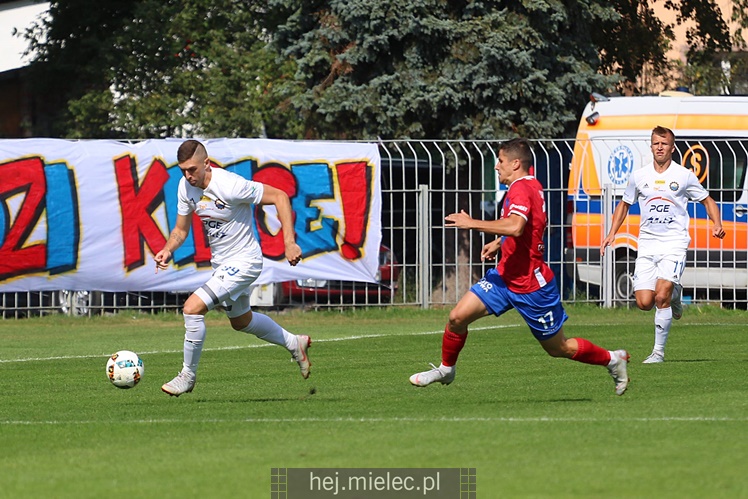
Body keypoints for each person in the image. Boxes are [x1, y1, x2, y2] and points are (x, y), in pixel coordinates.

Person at [409, 138, 630, 395]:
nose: (496, 167)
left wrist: (472, 223)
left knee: (559, 348)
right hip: (504, 277)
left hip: (531, 285)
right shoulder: (530, 185)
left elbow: (516, 226)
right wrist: (499, 243)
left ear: (515, 163)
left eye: (500, 161)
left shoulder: (520, 190)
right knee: (457, 317)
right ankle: (446, 369)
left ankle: (613, 359)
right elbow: (527, 229)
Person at [154, 139, 311, 396]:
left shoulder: (230, 185)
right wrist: (168, 249)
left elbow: (280, 197)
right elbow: (180, 230)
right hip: (224, 265)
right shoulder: (185, 187)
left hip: (245, 262)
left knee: (192, 309)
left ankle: (187, 376)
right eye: (183, 170)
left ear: (206, 163)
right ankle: (295, 343)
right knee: (241, 322)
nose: (187, 175)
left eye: (192, 169)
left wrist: (289, 243)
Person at [601, 126, 724, 363]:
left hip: (674, 243)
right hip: (647, 244)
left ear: (672, 147)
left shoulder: (683, 175)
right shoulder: (639, 176)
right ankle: (676, 295)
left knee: (661, 295)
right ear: (651, 146)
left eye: (664, 144)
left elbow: (708, 200)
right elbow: (625, 204)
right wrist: (612, 233)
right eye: (656, 143)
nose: (660, 147)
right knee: (644, 302)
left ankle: (658, 352)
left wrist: (716, 223)